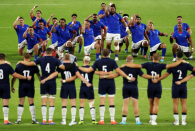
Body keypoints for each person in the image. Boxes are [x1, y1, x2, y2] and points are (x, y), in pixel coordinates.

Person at [123, 53, 188, 125]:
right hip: (158, 86)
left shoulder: (147, 64)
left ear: (152, 58)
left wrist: (126, 64)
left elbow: (137, 66)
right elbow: (171, 65)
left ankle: (151, 119)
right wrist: (180, 61)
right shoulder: (161, 65)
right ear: (159, 58)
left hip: (150, 86)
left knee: (151, 104)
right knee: (156, 104)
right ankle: (154, 120)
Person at [17, 48, 76, 125]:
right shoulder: (55, 60)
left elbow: (29, 63)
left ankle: (44, 120)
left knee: (43, 102)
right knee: (52, 101)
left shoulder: (40, 59)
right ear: (52, 53)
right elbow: (64, 68)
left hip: (43, 82)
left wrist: (21, 61)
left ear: (45, 53)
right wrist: (73, 64)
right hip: (52, 83)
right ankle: (50, 120)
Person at [78, 49, 134, 125]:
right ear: (109, 53)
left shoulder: (98, 62)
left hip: (102, 84)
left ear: (102, 54)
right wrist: (128, 77)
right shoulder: (112, 61)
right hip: (111, 83)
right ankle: (112, 120)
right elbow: (119, 72)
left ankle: (101, 120)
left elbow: (89, 70)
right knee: (111, 101)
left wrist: (78, 67)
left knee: (102, 102)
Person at [100, 55, 159, 125]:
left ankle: (123, 121)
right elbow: (144, 76)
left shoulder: (123, 68)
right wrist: (153, 77)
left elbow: (114, 75)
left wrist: (104, 76)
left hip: (125, 87)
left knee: (125, 105)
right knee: (135, 105)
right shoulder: (136, 68)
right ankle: (138, 121)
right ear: (132, 61)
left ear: (126, 61)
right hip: (134, 87)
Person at [39, 54, 91, 126]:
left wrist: (45, 79)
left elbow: (54, 74)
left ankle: (63, 120)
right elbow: (78, 75)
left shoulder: (61, 66)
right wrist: (86, 82)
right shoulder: (74, 66)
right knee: (73, 104)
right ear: (70, 59)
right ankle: (73, 120)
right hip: (72, 86)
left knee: (64, 104)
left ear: (63, 59)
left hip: (64, 87)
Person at [152, 51, 195, 125]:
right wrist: (189, 76)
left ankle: (177, 121)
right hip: (183, 86)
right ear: (182, 57)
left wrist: (158, 79)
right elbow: (193, 71)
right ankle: (184, 121)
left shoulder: (173, 65)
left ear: (176, 57)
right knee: (184, 104)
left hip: (175, 86)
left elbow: (166, 74)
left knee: (175, 104)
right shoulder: (186, 65)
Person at [0, 53, 32, 125]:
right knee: (5, 103)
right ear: (4, 58)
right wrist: (25, 77)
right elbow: (15, 75)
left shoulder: (6, 64)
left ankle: (6, 120)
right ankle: (6, 120)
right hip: (5, 85)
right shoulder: (7, 66)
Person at [11, 53, 41, 124]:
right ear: (30, 57)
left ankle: (18, 119)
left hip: (22, 86)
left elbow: (14, 77)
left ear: (23, 57)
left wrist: (12, 86)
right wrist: (41, 82)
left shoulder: (18, 66)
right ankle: (34, 119)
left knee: (21, 102)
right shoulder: (34, 66)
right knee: (31, 102)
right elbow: (39, 75)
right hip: (30, 85)